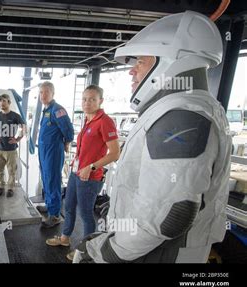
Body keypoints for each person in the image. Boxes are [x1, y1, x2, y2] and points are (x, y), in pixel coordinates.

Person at [73, 11, 231, 263]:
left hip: (158, 255)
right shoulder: (186, 109)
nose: (131, 72)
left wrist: (107, 252)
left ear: (169, 63)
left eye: (140, 62)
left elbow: (170, 214)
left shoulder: (181, 116)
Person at [45, 85, 120, 260]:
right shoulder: (87, 119)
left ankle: (86, 250)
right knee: (69, 206)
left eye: (92, 99)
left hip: (90, 177)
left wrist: (91, 167)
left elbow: (115, 153)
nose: (87, 102)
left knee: (86, 214)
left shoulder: (105, 121)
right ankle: (64, 238)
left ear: (100, 101)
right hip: (76, 172)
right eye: (85, 99)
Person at [37, 81, 74, 227]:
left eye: (46, 92)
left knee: (53, 180)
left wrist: (66, 142)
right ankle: (49, 205)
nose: (43, 95)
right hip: (44, 151)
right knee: (46, 179)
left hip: (53, 151)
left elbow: (68, 130)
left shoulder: (57, 110)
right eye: (41, 92)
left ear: (53, 93)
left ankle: (55, 215)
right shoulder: (46, 110)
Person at [0, 94, 26, 197]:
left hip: (11, 149)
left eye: (4, 101)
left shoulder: (15, 116)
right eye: (0, 101)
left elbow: (23, 128)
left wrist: (17, 139)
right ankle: (0, 187)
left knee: (11, 170)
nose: (1, 103)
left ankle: (10, 188)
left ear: (9, 102)